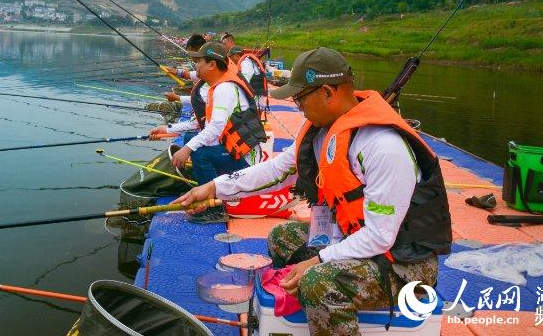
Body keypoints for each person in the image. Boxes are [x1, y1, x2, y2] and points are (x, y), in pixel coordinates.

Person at [173, 47, 452, 335]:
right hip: (354, 239)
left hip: (402, 265)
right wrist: (213, 187)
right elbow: (277, 170)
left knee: (318, 281)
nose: (298, 106)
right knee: (282, 237)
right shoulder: (322, 131)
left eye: (300, 98)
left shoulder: (383, 147)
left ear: (329, 92)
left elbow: (380, 236)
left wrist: (317, 261)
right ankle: (307, 320)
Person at [149, 41, 267, 222]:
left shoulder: (225, 89)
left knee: (200, 153)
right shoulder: (217, 86)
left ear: (212, 64)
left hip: (246, 160)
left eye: (199, 62)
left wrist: (187, 149)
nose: (196, 67)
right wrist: (167, 128)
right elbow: (200, 124)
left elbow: (215, 128)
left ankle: (214, 209)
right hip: (236, 151)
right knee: (192, 139)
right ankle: (207, 186)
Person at [228, 46, 268, 113]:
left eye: (230, 57)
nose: (229, 60)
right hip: (256, 96)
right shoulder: (247, 61)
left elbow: (244, 83)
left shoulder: (245, 64)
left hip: (256, 99)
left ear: (236, 56)